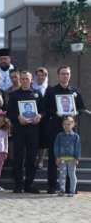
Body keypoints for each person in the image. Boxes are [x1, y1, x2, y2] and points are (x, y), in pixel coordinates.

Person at [44, 66, 86, 194]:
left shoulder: (76, 91)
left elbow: (82, 109)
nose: (65, 76)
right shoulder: (51, 91)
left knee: (71, 157)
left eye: (67, 74)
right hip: (56, 128)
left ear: (70, 75)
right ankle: (52, 186)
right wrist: (55, 113)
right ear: (58, 75)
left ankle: (70, 187)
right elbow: (46, 109)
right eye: (62, 74)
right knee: (53, 156)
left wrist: (75, 112)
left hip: (71, 129)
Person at [54, 116, 81, 196]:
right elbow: (56, 147)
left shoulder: (76, 137)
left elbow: (78, 148)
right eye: (64, 124)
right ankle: (62, 190)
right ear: (62, 125)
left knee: (72, 174)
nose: (66, 126)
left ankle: (72, 190)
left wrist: (77, 158)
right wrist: (57, 157)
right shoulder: (59, 136)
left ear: (73, 125)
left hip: (72, 159)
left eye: (68, 124)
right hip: (62, 159)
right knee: (62, 174)